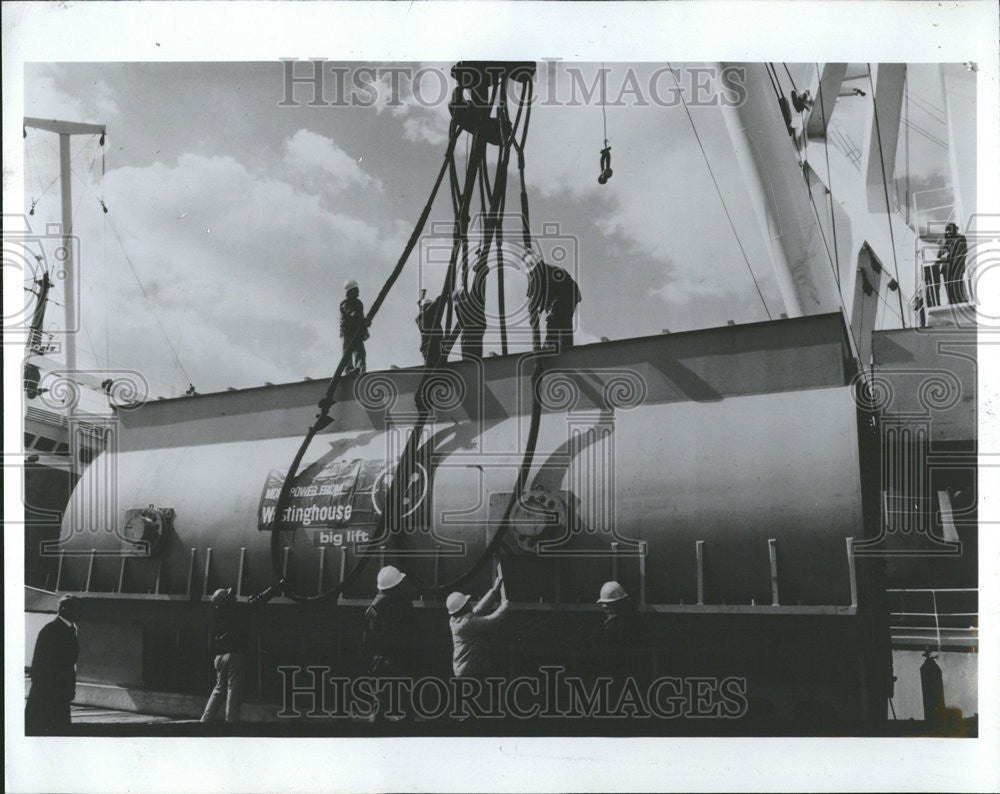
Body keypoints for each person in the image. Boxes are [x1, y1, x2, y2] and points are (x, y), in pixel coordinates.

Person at [200, 584, 277, 723]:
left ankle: (205, 721)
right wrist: (274, 589)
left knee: (218, 690)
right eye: (231, 596)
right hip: (234, 656)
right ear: (228, 601)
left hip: (219, 657)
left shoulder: (218, 615)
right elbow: (257, 602)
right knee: (233, 691)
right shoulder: (237, 611)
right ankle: (231, 724)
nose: (234, 597)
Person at [25, 594, 81, 734]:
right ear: (63, 609)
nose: (79, 612)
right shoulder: (53, 630)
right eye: (76, 609)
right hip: (50, 690)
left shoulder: (63, 629)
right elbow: (42, 662)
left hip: (58, 689)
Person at [447, 577, 509, 678]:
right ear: (463, 608)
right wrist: (505, 606)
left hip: (465, 670)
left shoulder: (455, 620)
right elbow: (492, 620)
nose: (470, 604)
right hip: (470, 671)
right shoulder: (467, 623)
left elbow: (479, 609)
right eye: (467, 603)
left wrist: (494, 591)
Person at [360, 565, 414, 676]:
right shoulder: (401, 604)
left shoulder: (374, 609)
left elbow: (367, 641)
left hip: (380, 664)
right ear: (396, 586)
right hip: (393, 662)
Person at [524, 250, 582, 351]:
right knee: (561, 320)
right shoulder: (534, 277)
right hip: (568, 294)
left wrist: (536, 310)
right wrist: (532, 313)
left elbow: (540, 298)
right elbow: (531, 297)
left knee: (555, 318)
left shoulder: (548, 272)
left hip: (568, 293)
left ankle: (555, 345)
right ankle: (562, 345)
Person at [595, 581, 642, 683]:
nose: (604, 607)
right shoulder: (632, 617)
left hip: (618, 669)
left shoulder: (614, 625)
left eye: (607, 604)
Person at [340, 279, 369, 376]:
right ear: (351, 291)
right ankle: (349, 370)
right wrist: (361, 319)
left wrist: (365, 330)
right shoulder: (345, 304)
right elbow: (352, 313)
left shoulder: (359, 304)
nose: (358, 291)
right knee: (347, 351)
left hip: (357, 331)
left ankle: (360, 369)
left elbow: (360, 316)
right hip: (348, 331)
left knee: (360, 351)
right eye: (356, 289)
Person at [938, 222, 969, 305]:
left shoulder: (960, 239)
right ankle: (952, 300)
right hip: (947, 268)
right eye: (947, 231)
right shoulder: (948, 241)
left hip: (956, 267)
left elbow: (958, 253)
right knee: (949, 285)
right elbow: (940, 254)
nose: (948, 233)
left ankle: (960, 299)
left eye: (950, 230)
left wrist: (947, 256)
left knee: (957, 283)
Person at [417, 292, 445, 366]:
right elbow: (435, 304)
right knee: (436, 366)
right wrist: (443, 295)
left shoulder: (421, 317)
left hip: (430, 346)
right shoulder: (426, 314)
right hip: (431, 346)